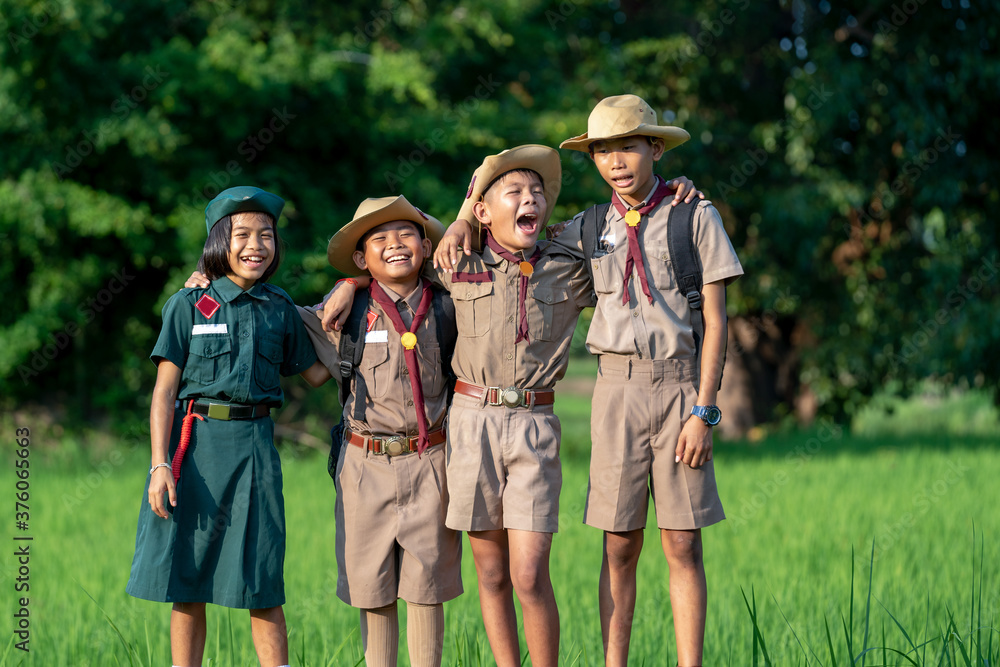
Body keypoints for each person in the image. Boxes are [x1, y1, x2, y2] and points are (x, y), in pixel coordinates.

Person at [436, 94, 740, 667]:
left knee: (682, 542)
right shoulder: (585, 229)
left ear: (655, 147)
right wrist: (459, 216)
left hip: (678, 391)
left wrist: (705, 411)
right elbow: (417, 250)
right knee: (618, 544)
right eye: (602, 151)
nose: (616, 161)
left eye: (628, 145)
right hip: (613, 393)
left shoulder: (693, 216)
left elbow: (718, 322)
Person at [321, 146, 592, 667]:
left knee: (530, 572)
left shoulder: (568, 268)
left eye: (536, 193)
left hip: (536, 423)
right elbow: (396, 273)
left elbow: (624, 263)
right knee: (490, 572)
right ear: (484, 210)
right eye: (513, 192)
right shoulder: (456, 264)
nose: (528, 200)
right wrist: (350, 282)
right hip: (471, 425)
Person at [126, 186, 318, 667]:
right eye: (243, 234)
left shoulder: (280, 307)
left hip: (256, 448)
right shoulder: (188, 305)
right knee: (188, 581)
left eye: (267, 235)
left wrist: (348, 302)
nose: (256, 245)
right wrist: (158, 466)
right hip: (195, 451)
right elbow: (164, 394)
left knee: (263, 578)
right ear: (219, 241)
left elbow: (317, 374)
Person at [297, 196, 462, 667]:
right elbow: (273, 317)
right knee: (373, 590)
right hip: (364, 464)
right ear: (360, 258)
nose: (395, 245)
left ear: (427, 246)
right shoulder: (342, 313)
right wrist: (206, 282)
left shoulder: (449, 306)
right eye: (379, 239)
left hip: (431, 460)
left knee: (427, 589)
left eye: (406, 234)